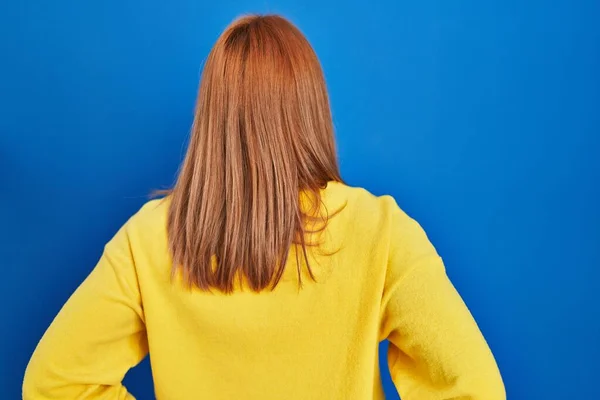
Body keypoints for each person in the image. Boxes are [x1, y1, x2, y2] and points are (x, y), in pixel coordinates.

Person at [23, 14, 505, 400]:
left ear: (211, 116)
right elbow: (475, 388)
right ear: (311, 109)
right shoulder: (379, 231)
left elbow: (52, 385)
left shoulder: (149, 239)